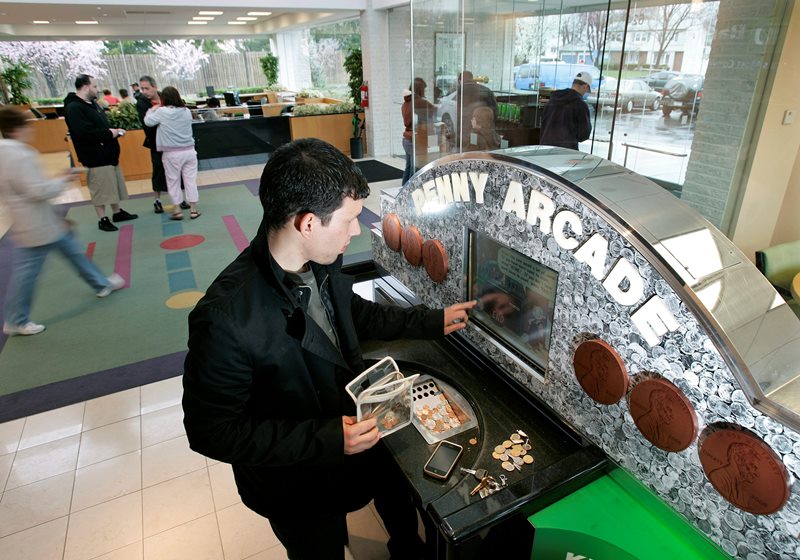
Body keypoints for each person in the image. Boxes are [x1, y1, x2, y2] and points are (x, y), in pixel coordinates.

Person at [182, 138, 477, 560]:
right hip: (296, 484)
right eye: (351, 219)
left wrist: (430, 321)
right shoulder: (226, 319)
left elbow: (354, 314)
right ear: (306, 223)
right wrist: (326, 438)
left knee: (397, 503)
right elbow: (211, 430)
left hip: (356, 439)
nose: (357, 230)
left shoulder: (320, 261)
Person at [0, 105, 125, 336]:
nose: (31, 129)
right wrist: (63, 179)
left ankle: (101, 284)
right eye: (27, 125)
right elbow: (37, 191)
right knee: (29, 270)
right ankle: (16, 319)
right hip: (36, 223)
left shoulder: (4, 151)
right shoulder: (20, 154)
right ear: (17, 128)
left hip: (30, 220)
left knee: (72, 252)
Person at [63, 74, 138, 232]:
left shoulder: (92, 104)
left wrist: (113, 132)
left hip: (108, 154)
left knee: (111, 185)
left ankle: (117, 212)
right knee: (100, 188)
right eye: (95, 86)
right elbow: (84, 132)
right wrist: (110, 134)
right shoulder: (74, 107)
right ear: (85, 86)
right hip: (95, 156)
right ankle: (102, 218)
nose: (97, 90)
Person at [143, 86, 201, 220]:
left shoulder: (161, 112)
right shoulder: (186, 111)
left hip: (171, 153)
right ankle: (193, 210)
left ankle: (177, 210)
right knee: (190, 181)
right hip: (189, 151)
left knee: (173, 181)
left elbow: (148, 122)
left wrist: (152, 109)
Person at [137, 75, 183, 214]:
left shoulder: (165, 97)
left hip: (173, 142)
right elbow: (148, 123)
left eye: (147, 88)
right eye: (142, 88)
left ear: (155, 87)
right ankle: (157, 200)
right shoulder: (142, 103)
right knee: (158, 170)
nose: (144, 91)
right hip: (156, 143)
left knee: (177, 170)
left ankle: (180, 199)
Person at [539, 71, 593, 150]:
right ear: (585, 87)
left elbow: (543, 124)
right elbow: (583, 135)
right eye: (587, 91)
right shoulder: (580, 104)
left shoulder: (553, 99)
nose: (585, 93)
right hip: (566, 152)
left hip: (545, 148)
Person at [401, 78, 436, 185]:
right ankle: (410, 193)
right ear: (420, 90)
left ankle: (403, 190)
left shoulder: (406, 102)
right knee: (415, 170)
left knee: (408, 168)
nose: (425, 92)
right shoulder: (418, 102)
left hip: (407, 138)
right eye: (424, 89)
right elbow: (434, 110)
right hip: (415, 139)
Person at [455, 70, 497, 150]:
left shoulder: (459, 91)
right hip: (485, 128)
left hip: (467, 132)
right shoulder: (486, 90)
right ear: (472, 78)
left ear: (460, 81)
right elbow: (495, 111)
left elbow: (458, 113)